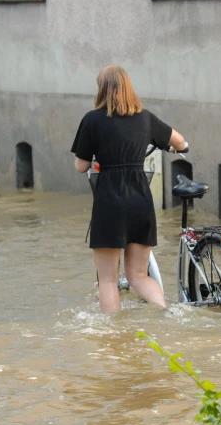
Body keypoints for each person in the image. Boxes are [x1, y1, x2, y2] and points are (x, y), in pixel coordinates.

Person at [71, 65, 188, 314]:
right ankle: (164, 313)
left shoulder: (92, 119)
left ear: (101, 89)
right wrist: (182, 147)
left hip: (109, 201)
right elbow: (179, 141)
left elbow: (81, 166)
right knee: (138, 275)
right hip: (140, 201)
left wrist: (93, 159)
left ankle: (114, 338)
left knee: (109, 280)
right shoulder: (145, 117)